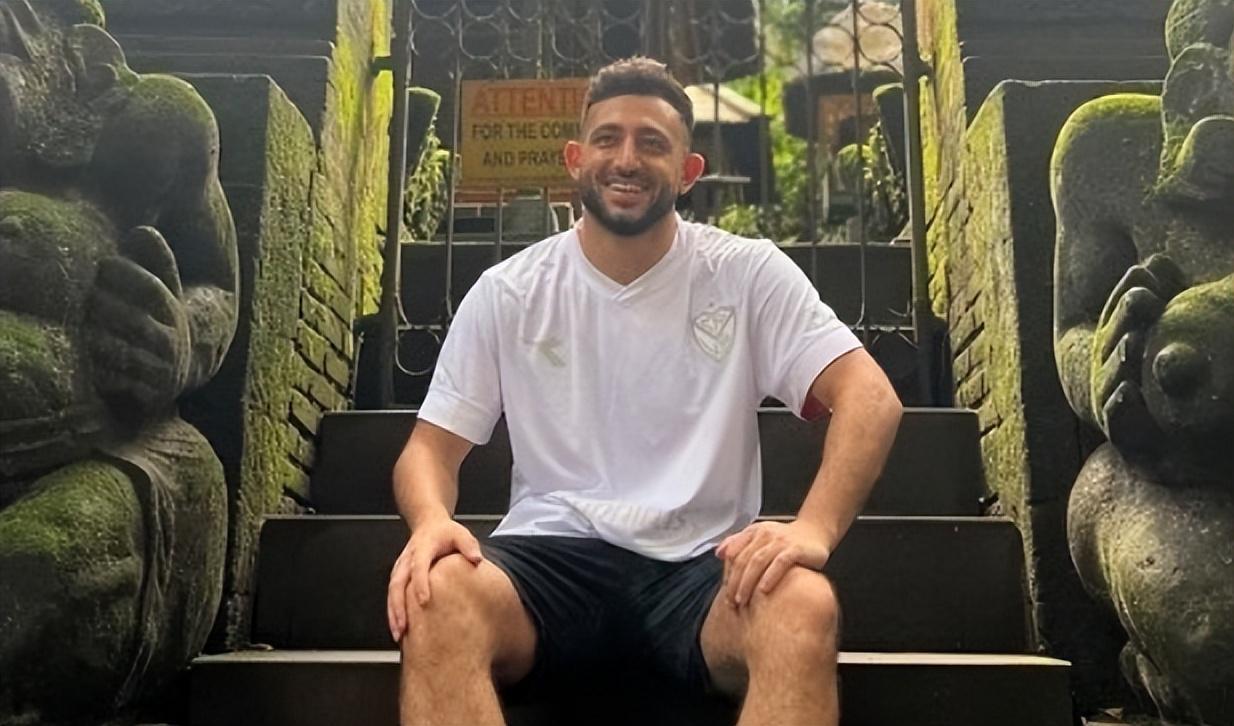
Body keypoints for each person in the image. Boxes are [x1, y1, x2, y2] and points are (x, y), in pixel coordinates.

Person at [385, 57, 902, 726]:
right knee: (435, 593)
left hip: (702, 569)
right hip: (549, 563)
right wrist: (432, 522)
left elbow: (870, 397)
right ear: (576, 159)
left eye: (652, 143)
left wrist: (813, 529)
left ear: (688, 171)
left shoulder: (746, 274)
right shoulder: (510, 291)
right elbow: (429, 450)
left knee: (803, 603)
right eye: (608, 138)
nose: (626, 159)